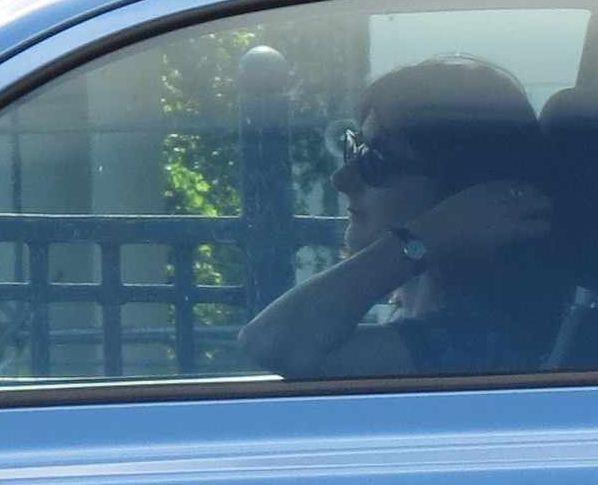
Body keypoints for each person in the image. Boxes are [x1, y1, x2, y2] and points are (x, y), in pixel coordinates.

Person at [236, 58, 574, 381]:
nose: (341, 178)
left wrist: (423, 238)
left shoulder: (475, 345)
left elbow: (275, 343)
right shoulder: (443, 328)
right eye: (354, 148)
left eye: (374, 161)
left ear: (462, 194)